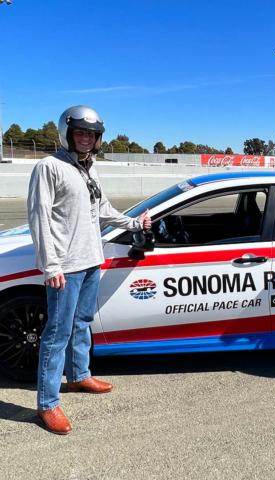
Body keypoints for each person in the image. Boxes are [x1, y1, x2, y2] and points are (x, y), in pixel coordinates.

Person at [27, 105, 152, 434]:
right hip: (65, 269)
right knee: (57, 333)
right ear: (67, 133)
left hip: (90, 260)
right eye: (80, 133)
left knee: (82, 323)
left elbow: (103, 208)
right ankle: (47, 403)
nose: (86, 139)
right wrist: (50, 265)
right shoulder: (49, 167)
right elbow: (39, 218)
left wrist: (135, 222)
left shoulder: (89, 168)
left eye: (92, 135)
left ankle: (79, 376)